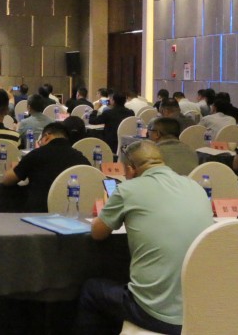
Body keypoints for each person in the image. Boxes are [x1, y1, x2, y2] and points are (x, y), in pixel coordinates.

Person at [76, 141, 213, 335]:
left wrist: (110, 209)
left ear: (131, 169)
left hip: (155, 313)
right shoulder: (195, 187)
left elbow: (97, 233)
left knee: (91, 290)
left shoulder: (128, 190)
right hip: (199, 310)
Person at [2, 122, 89, 212]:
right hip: (73, 214)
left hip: (39, 213)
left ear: (46, 137)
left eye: (40, 141)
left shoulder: (36, 154)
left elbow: (7, 180)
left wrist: (16, 167)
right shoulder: (81, 158)